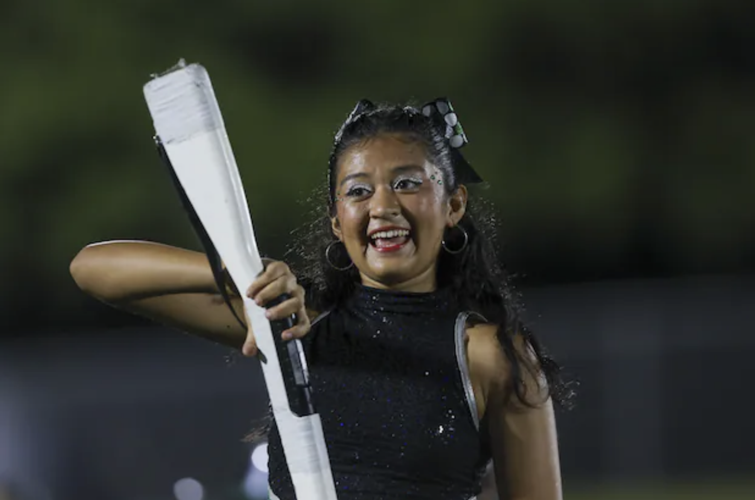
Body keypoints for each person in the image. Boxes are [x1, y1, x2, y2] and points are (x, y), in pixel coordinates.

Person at [70, 98, 571, 500]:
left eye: (407, 184)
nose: (382, 206)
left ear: (454, 204)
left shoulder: (491, 356)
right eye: (358, 192)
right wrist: (243, 272)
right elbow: (95, 270)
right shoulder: (295, 319)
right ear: (336, 220)